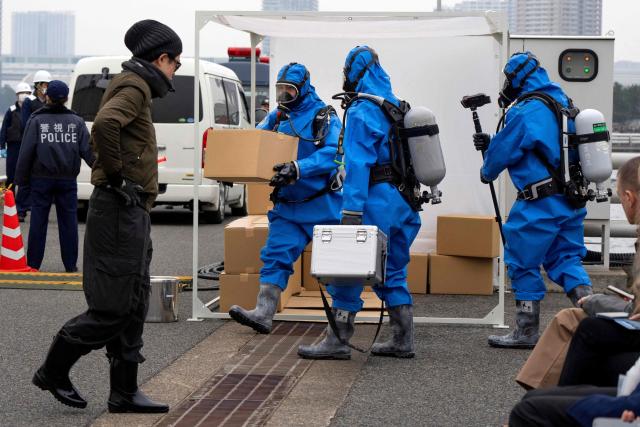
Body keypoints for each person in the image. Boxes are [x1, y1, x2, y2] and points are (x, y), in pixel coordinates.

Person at [32, 19, 181, 413]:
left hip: (130, 209)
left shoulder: (138, 86)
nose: (174, 73)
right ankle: (54, 369)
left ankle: (124, 392)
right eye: (175, 64)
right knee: (113, 306)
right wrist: (116, 177)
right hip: (118, 209)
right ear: (161, 58)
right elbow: (106, 126)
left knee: (133, 301)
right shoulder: (133, 86)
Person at [297, 46, 421, 360]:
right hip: (404, 202)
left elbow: (358, 165)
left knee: (347, 269)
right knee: (393, 270)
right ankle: (402, 339)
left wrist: (351, 212)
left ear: (354, 72)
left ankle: (337, 341)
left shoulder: (362, 109)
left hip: (375, 202)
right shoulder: (396, 105)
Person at [475, 52, 593, 349]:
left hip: (538, 204)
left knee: (522, 262)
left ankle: (526, 332)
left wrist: (487, 160)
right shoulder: (564, 105)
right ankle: (595, 321)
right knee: (566, 259)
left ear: (517, 78)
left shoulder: (525, 110)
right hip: (570, 201)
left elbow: (499, 159)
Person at [229, 63, 343, 335]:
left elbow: (336, 153)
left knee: (337, 266)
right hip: (289, 206)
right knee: (275, 256)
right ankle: (263, 313)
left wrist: (299, 167)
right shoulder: (277, 117)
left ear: (302, 89)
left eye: (289, 90)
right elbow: (257, 141)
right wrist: (236, 166)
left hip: (324, 204)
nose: (283, 95)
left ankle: (341, 324)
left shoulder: (325, 116)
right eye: (280, 90)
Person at [14, 80, 94, 273]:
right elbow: (89, 152)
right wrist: (103, 172)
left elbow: (26, 153)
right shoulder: (76, 122)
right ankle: (70, 264)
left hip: (41, 179)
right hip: (68, 180)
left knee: (38, 222)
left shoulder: (37, 120)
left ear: (47, 97)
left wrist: (21, 181)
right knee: (69, 223)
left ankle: (33, 264)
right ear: (66, 98)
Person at [17, 70, 52, 221]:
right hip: (32, 143)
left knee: (42, 177)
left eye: (47, 84)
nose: (46, 87)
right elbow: (25, 123)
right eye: (44, 84)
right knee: (26, 178)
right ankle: (20, 210)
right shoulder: (29, 102)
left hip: (46, 143)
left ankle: (36, 207)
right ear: (37, 85)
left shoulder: (50, 101)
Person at [0, 82, 32, 188]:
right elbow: (4, 129)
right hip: (13, 146)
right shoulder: (11, 110)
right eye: (22, 93)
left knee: (28, 173)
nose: (24, 95)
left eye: (27, 93)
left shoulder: (33, 109)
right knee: (11, 174)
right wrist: (2, 147)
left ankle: (26, 201)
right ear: (17, 95)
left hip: (28, 146)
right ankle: (10, 199)